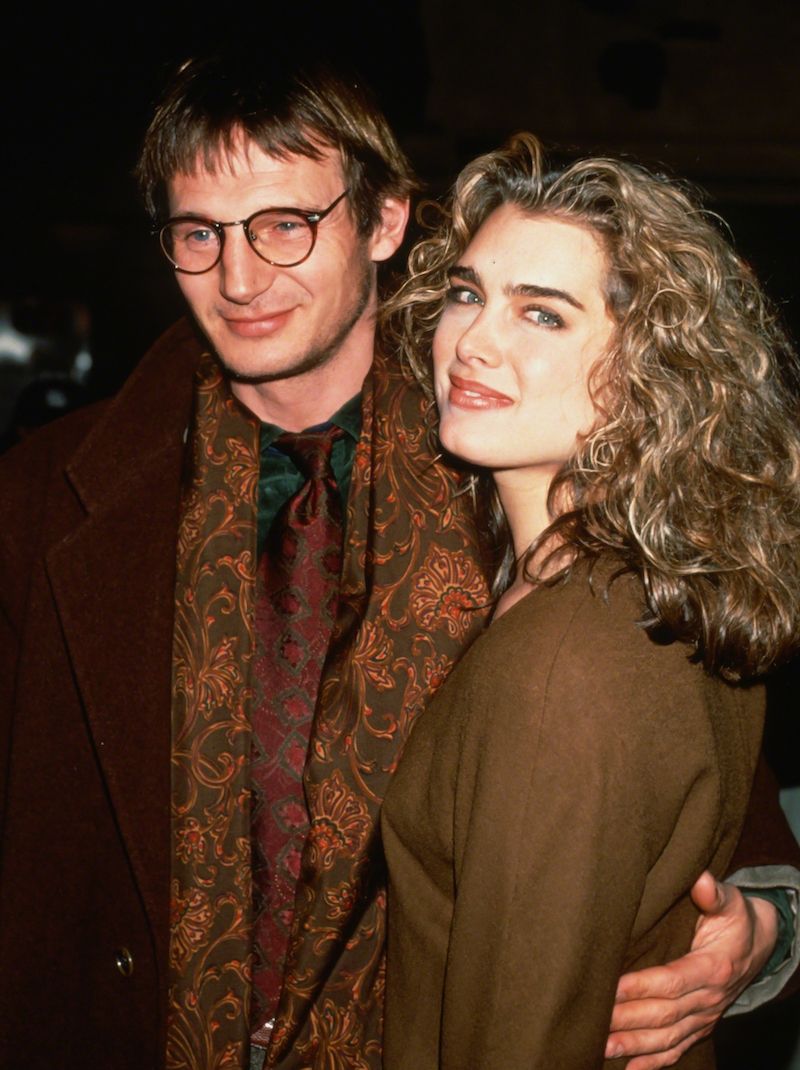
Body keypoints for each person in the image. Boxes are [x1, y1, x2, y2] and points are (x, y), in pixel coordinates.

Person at [0, 57, 797, 1070]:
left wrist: (765, 925)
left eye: (285, 224)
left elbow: (688, 754)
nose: (239, 279)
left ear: (383, 223)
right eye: (199, 233)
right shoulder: (42, 499)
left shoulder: (519, 443)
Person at [381, 133, 800, 1069]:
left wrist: (776, 919)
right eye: (467, 293)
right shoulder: (656, 585)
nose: (473, 341)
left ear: (648, 370)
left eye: (544, 314)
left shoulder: (562, 666)